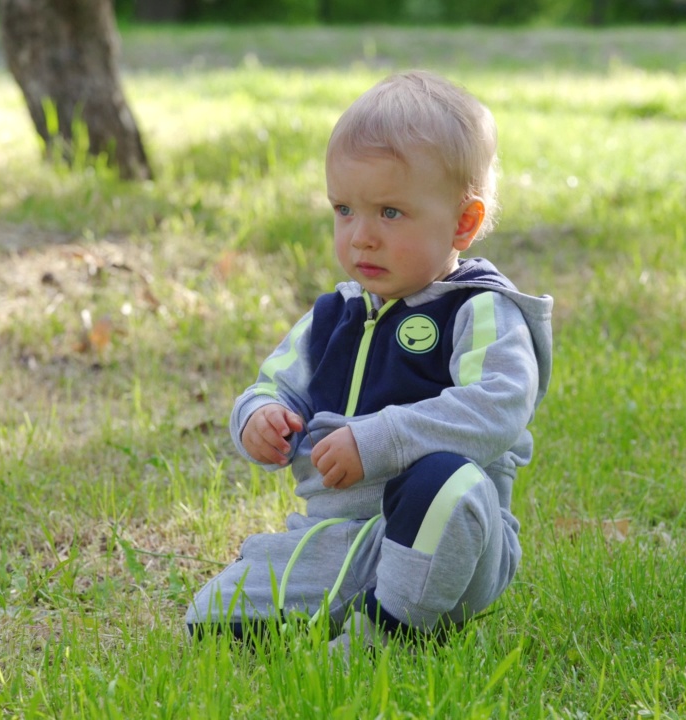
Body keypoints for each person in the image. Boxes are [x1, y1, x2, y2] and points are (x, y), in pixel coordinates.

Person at [185, 70, 554, 651]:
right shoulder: (335, 315)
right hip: (340, 539)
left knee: (446, 484)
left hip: (454, 543)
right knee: (212, 620)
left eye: (389, 213)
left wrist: (381, 439)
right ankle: (355, 603)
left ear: (464, 222)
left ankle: (389, 637)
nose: (361, 237)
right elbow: (273, 386)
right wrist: (257, 418)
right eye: (344, 210)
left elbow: (500, 405)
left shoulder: (480, 309)